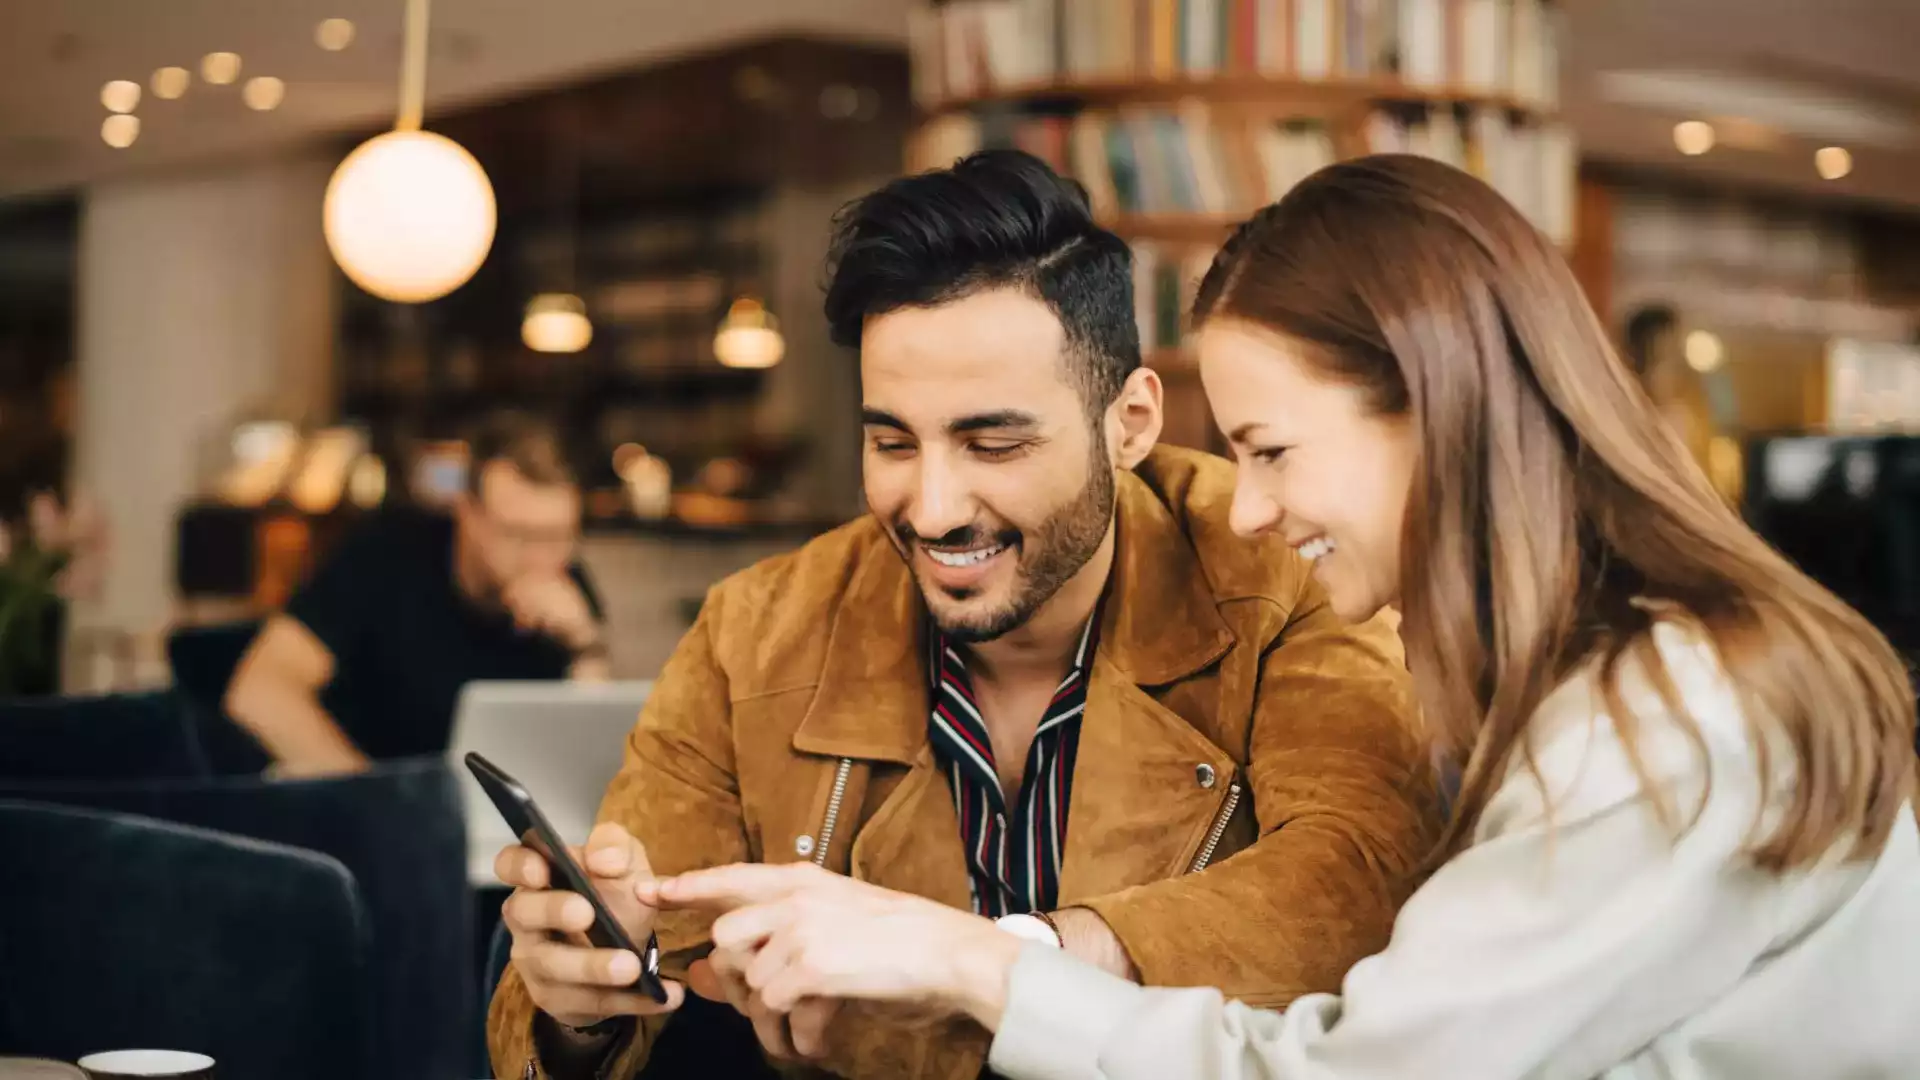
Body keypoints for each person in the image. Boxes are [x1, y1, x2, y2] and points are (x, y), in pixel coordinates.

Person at [646, 154, 1920, 1079]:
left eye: (1269, 450)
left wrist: (979, 962)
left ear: (1434, 409)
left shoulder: (1658, 718)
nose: (1244, 509)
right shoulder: (1625, 683)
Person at [486, 150, 1441, 1080]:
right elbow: (650, 977)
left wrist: (1004, 959)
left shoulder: (1284, 564)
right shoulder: (754, 632)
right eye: (893, 442)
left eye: (993, 442)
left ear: (1131, 424)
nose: (933, 508)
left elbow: (1358, 879)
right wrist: (582, 1002)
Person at [226, 412, 609, 775]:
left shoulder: (568, 584)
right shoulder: (385, 556)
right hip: (363, 812)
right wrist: (372, 797)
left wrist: (584, 643)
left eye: (557, 536)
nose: (540, 557)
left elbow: (587, 763)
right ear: (467, 513)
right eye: (518, 534)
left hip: (491, 828)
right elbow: (261, 689)